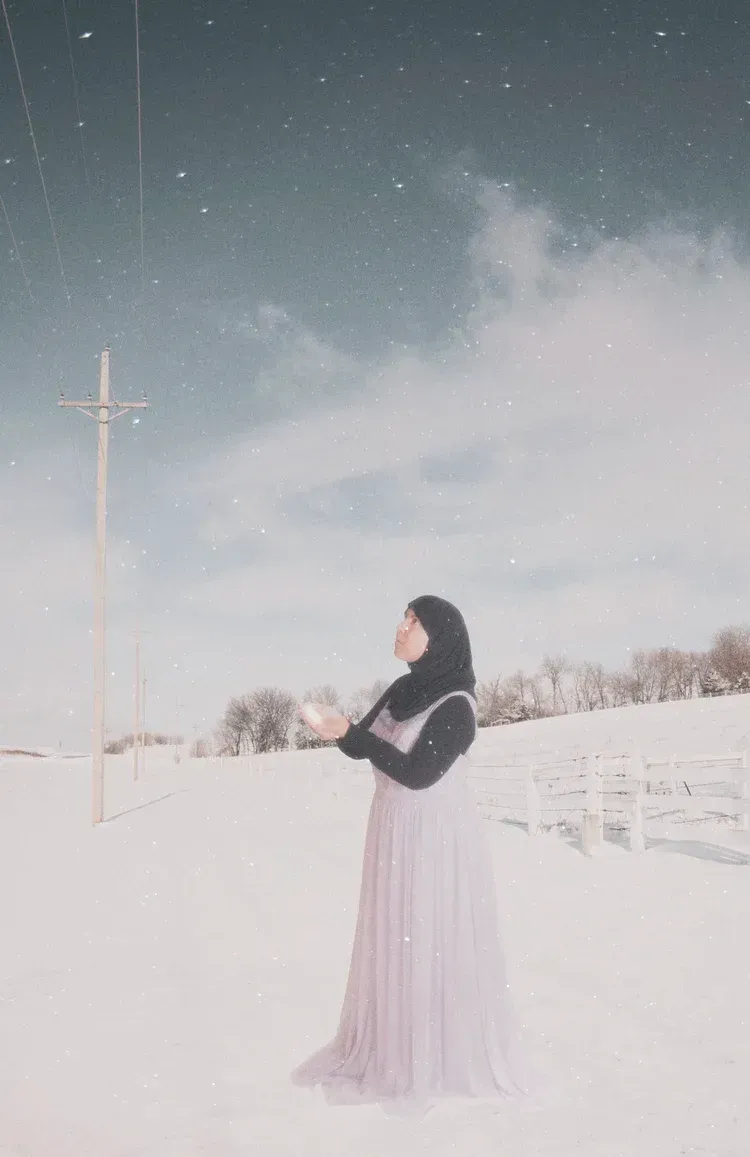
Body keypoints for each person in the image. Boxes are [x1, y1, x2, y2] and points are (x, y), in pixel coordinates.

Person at [291, 595, 531, 1116]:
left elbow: (419, 773)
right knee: (393, 934)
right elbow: (361, 747)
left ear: (440, 638)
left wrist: (353, 733)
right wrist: (338, 728)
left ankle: (435, 1054)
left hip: (434, 838)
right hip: (392, 831)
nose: (401, 628)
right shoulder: (403, 689)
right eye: (402, 618)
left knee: (428, 935)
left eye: (414, 621)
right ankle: (391, 1046)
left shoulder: (457, 705)